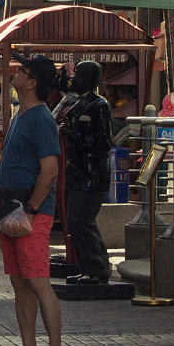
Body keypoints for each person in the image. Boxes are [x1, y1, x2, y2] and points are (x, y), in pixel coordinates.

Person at [0, 57, 68, 346]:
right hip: (12, 210)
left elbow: (50, 170)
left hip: (31, 213)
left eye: (22, 71)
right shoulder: (20, 115)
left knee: (38, 281)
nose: (16, 73)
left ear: (32, 81)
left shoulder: (41, 119)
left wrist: (32, 209)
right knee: (19, 281)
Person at [55, 61, 115, 284]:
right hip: (76, 172)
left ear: (89, 80)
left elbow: (104, 142)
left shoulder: (99, 106)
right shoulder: (76, 102)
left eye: (77, 76)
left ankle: (95, 270)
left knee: (81, 221)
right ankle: (96, 265)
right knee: (79, 222)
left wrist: (73, 136)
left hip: (92, 175)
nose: (73, 79)